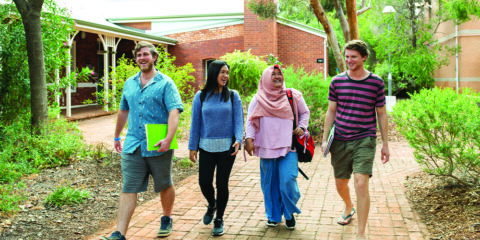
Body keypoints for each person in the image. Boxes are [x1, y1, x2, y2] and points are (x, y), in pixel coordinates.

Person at [102, 41, 183, 240]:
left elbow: (174, 111)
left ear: (154, 57)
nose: (141, 58)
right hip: (133, 143)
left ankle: (166, 217)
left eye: (145, 54)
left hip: (158, 142)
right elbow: (123, 110)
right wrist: (116, 135)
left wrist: (168, 138)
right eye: (138, 55)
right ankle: (120, 233)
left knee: (164, 184)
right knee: (129, 186)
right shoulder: (130, 83)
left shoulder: (166, 82)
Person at [321, 40, 390, 239]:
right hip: (340, 138)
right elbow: (331, 111)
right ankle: (348, 206)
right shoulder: (337, 81)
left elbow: (382, 113)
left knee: (361, 183)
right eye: (347, 56)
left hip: (365, 138)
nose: (349, 60)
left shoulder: (376, 82)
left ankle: (361, 234)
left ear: (364, 57)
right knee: (341, 183)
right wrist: (325, 138)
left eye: (353, 57)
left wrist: (385, 144)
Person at [245, 65, 310, 230]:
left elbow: (305, 112)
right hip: (266, 148)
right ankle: (273, 215)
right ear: (266, 78)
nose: (276, 77)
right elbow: (250, 120)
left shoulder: (292, 95)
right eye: (272, 74)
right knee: (269, 183)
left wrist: (302, 127)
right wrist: (249, 138)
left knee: (287, 180)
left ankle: (289, 213)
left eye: (279, 74)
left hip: (289, 147)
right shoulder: (258, 99)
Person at [188, 60, 243, 236]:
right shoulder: (201, 96)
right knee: (204, 182)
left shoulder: (233, 96)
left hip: (228, 147)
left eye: (227, 72)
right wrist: (192, 146)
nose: (226, 76)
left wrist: (239, 139)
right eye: (222, 72)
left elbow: (238, 120)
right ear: (213, 74)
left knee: (222, 183)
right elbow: (195, 122)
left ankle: (219, 218)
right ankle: (212, 204)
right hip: (205, 146)